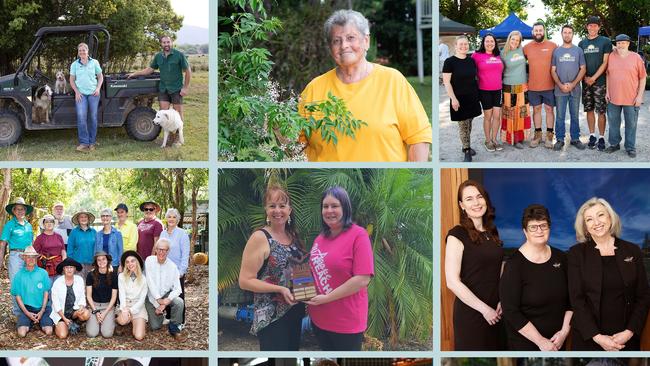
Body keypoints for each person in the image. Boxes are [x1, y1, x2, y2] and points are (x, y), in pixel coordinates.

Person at [299, 9, 432, 162]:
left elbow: (419, 138)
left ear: (366, 41)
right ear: (330, 48)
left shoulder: (392, 81)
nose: (344, 46)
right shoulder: (313, 89)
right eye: (336, 40)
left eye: (351, 38)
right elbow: (296, 145)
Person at [568, 197, 650, 351]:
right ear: (585, 227)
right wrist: (597, 337)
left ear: (610, 218)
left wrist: (629, 332)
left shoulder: (632, 250)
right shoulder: (576, 254)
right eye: (589, 219)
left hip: (626, 339)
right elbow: (576, 300)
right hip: (589, 339)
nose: (596, 222)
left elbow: (643, 295)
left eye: (601, 215)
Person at [239, 184, 307, 350]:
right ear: (266, 210)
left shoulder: (293, 236)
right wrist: (280, 289)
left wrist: (308, 292)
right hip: (271, 317)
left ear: (289, 210)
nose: (278, 210)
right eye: (272, 206)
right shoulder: (260, 238)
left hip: (295, 311)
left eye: (282, 206)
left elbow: (300, 271)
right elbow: (245, 281)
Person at [306, 186, 374, 351]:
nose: (329, 210)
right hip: (319, 319)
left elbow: (362, 279)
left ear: (345, 207)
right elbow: (312, 271)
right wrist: (301, 292)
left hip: (346, 322)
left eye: (334, 206)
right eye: (325, 206)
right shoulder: (320, 238)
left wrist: (326, 298)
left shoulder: (358, 235)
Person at [499, 204, 572, 351]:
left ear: (549, 228)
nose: (539, 230)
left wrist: (564, 332)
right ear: (525, 231)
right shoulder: (514, 265)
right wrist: (540, 342)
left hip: (558, 342)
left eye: (543, 226)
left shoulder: (561, 258)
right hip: (526, 345)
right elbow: (511, 311)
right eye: (533, 227)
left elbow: (571, 301)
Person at [445, 180, 503, 350]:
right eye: (469, 199)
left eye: (479, 197)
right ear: (462, 205)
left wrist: (502, 300)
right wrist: (485, 310)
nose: (476, 202)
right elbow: (452, 282)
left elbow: (498, 271)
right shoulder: (457, 234)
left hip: (497, 313)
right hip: (472, 314)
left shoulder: (493, 233)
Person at [127, 35, 191, 121]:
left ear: (171, 43)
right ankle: (167, 132)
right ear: (161, 44)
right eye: (164, 42)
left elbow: (188, 71)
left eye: (168, 42)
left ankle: (177, 133)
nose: (166, 44)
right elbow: (149, 70)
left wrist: (185, 87)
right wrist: (135, 74)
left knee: (178, 112)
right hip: (163, 88)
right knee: (163, 113)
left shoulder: (179, 55)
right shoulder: (158, 56)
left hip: (176, 88)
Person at [605, 34, 647, 158]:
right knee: (613, 123)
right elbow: (608, 74)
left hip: (631, 98)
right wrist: (607, 91)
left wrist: (639, 96)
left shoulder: (636, 58)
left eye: (623, 43)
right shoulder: (611, 57)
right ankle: (614, 144)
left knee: (631, 124)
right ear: (616, 44)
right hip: (613, 97)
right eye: (618, 43)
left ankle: (630, 147)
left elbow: (643, 77)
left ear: (628, 44)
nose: (620, 45)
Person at [443, 35, 482, 162]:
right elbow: (447, 82)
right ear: (455, 46)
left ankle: (466, 145)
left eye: (466, 44)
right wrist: (453, 99)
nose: (464, 46)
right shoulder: (449, 62)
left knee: (469, 124)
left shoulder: (471, 61)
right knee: (463, 125)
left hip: (472, 97)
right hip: (458, 99)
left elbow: (474, 79)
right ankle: (466, 150)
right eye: (461, 44)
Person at [551, 25, 587, 151]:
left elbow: (583, 69)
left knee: (575, 115)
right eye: (565, 32)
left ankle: (575, 139)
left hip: (575, 89)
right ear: (561, 34)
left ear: (573, 34)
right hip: (559, 89)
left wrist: (573, 84)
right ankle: (560, 139)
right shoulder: (556, 51)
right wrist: (561, 85)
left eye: (569, 32)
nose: (567, 34)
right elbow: (553, 70)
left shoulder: (578, 51)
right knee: (560, 116)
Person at [578, 16, 612, 151]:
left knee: (601, 112)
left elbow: (605, 62)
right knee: (589, 110)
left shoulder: (605, 41)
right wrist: (586, 77)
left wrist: (594, 77)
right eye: (590, 25)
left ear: (599, 27)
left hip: (601, 83)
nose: (592, 27)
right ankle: (592, 135)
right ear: (587, 27)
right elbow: (581, 63)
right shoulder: (582, 43)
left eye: (595, 25)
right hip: (586, 82)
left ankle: (602, 137)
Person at [523, 22, 558, 148]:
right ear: (532, 32)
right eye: (536, 30)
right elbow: (519, 64)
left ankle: (549, 135)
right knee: (536, 110)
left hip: (549, 86)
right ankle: (537, 134)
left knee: (549, 110)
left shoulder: (553, 46)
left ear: (544, 31)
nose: (538, 32)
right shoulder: (526, 48)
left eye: (540, 30)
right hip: (533, 87)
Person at [145, 238, 185, 340]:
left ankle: (174, 328)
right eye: (159, 249)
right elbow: (150, 282)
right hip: (150, 296)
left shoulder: (172, 267)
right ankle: (161, 318)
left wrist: (164, 303)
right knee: (155, 326)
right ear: (156, 249)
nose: (161, 252)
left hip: (165, 295)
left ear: (168, 251)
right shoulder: (149, 260)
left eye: (165, 250)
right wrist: (158, 300)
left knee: (179, 302)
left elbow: (178, 289)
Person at [1, 197, 34, 315]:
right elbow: (3, 243)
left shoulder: (29, 226)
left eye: (22, 209)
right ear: (14, 211)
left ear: (25, 210)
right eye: (17, 209)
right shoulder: (10, 225)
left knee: (28, 283)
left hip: (29, 256)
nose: (20, 211)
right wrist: (1, 261)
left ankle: (29, 310)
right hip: (15, 255)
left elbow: (31, 243)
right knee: (16, 283)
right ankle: (17, 313)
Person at [10, 246, 54, 337]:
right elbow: (18, 297)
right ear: (24, 258)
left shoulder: (43, 273)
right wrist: (28, 313)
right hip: (27, 309)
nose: (31, 259)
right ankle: (30, 321)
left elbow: (46, 293)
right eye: (28, 257)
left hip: (43, 308)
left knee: (49, 331)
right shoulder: (19, 275)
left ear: (36, 259)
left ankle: (39, 320)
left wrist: (42, 311)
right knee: (21, 333)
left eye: (33, 257)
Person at [472, 33, 504, 153]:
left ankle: (495, 139)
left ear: (495, 43)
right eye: (487, 41)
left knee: (497, 116)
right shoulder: (477, 56)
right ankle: (488, 140)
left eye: (492, 41)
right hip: (484, 90)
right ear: (483, 43)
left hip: (498, 90)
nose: (489, 43)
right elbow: (470, 70)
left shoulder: (498, 55)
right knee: (488, 116)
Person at [70, 42, 103, 152]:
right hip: (81, 94)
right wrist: (76, 92)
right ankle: (84, 143)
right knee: (81, 116)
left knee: (93, 117)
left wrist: (98, 88)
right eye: (80, 51)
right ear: (78, 52)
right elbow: (71, 80)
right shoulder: (75, 64)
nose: (82, 52)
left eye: (84, 50)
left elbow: (100, 77)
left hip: (93, 93)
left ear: (87, 51)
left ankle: (92, 142)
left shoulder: (94, 62)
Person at [159, 208, 190, 324]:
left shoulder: (182, 234)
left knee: (179, 295)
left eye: (174, 217)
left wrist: (181, 271)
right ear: (166, 219)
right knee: (166, 292)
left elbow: (185, 254)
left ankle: (181, 320)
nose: (171, 219)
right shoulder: (163, 233)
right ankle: (168, 316)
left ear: (178, 219)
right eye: (169, 217)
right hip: (164, 269)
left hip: (177, 270)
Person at [501, 30, 531, 148]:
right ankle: (512, 138)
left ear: (519, 42)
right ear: (509, 39)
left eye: (517, 40)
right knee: (510, 113)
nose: (515, 42)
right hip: (509, 86)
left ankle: (520, 137)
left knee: (522, 112)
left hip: (523, 86)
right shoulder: (503, 53)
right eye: (513, 39)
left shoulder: (522, 50)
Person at [50, 257, 90, 338]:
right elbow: (56, 304)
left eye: (71, 267)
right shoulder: (57, 283)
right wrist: (64, 318)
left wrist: (81, 308)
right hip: (61, 314)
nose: (69, 269)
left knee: (86, 314)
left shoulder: (79, 280)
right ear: (63, 269)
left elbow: (82, 296)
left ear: (75, 269)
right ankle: (61, 325)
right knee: (62, 335)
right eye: (67, 267)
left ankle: (76, 324)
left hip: (74, 312)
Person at [116, 250, 148, 340]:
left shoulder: (144, 279)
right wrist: (124, 309)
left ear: (137, 262)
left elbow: (142, 300)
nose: (130, 264)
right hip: (125, 303)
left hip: (138, 306)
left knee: (139, 336)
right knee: (123, 320)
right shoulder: (121, 276)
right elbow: (121, 295)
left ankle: (135, 322)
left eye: (132, 261)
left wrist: (131, 310)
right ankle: (119, 322)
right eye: (127, 262)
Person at [86, 251, 118, 338]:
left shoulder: (113, 275)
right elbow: (88, 296)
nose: (101, 262)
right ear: (96, 262)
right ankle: (98, 322)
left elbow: (114, 297)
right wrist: (96, 312)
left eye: (104, 259)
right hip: (94, 306)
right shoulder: (90, 275)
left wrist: (105, 313)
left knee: (107, 334)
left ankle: (108, 321)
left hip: (108, 306)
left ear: (107, 260)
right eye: (98, 260)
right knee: (91, 334)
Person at [33, 214, 67, 281]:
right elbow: (35, 254)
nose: (49, 224)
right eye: (46, 222)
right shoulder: (39, 238)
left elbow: (63, 250)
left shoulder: (59, 236)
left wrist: (64, 262)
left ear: (54, 224)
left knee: (58, 287)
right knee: (48, 287)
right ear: (43, 224)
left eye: (51, 221)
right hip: (46, 266)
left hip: (59, 265)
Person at [67, 210, 97, 277]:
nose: (83, 219)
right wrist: (71, 264)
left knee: (91, 284)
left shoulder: (94, 232)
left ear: (88, 218)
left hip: (92, 264)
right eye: (81, 217)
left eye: (85, 217)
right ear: (78, 219)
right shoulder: (73, 232)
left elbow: (97, 248)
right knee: (80, 285)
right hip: (78, 264)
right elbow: (70, 249)